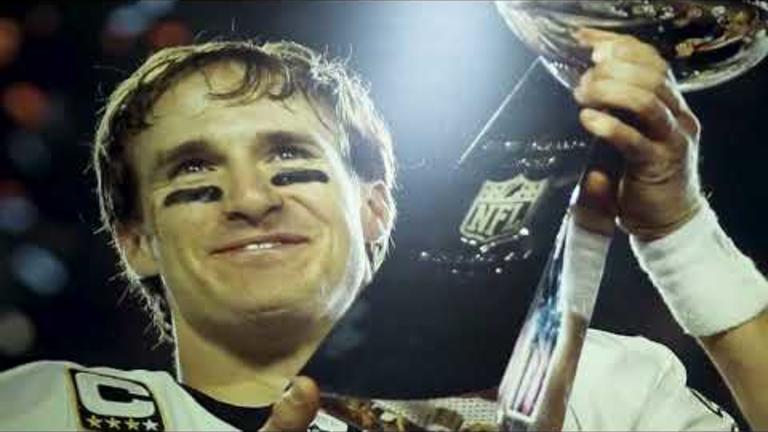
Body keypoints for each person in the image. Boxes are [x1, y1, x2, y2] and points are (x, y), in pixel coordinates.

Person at [0, 26, 765, 430]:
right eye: (194, 174)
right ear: (134, 242)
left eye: (292, 163)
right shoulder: (43, 411)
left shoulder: (595, 385)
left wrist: (678, 233)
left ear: (375, 208)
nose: (250, 198)